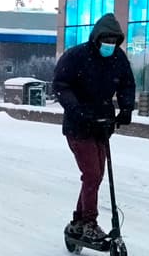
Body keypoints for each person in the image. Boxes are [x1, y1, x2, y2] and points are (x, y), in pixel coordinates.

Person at [52, 13, 137, 242]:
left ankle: (79, 220)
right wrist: (77, 110)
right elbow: (61, 85)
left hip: (102, 125)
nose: (109, 46)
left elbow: (127, 84)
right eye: (105, 41)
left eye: (113, 42)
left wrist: (126, 109)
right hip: (78, 126)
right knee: (92, 173)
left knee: (96, 175)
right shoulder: (78, 56)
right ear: (96, 38)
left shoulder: (118, 58)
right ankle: (89, 222)